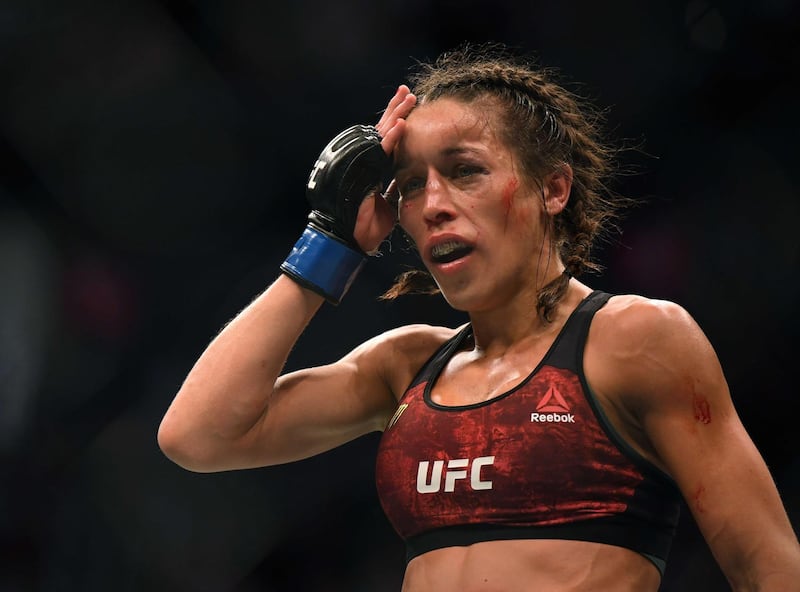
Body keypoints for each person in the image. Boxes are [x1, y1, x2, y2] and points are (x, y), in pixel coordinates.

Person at [157, 43, 800, 591]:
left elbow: (767, 566)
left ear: (553, 188)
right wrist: (329, 241)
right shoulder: (404, 365)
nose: (432, 203)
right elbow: (197, 436)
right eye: (409, 185)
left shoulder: (632, 340)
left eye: (464, 171)